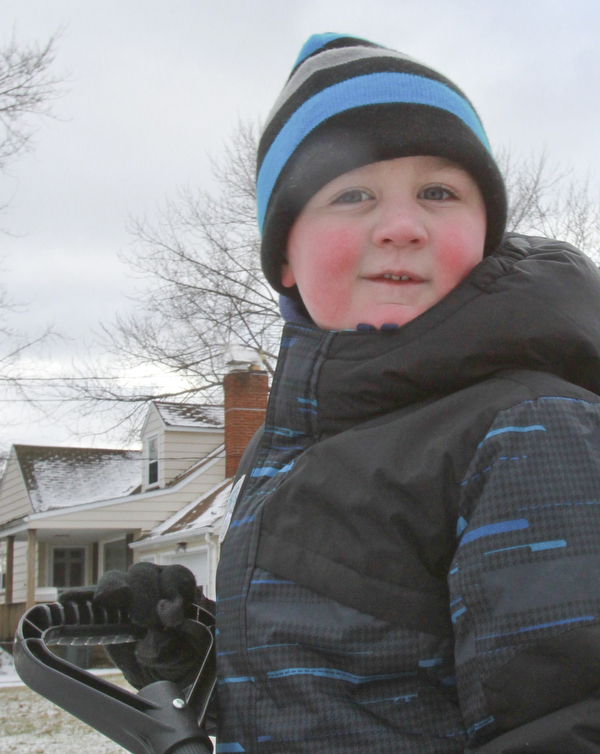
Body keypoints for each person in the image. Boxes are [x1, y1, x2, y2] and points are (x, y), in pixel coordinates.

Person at [76, 34, 600, 753]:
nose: (402, 227)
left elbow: (567, 722)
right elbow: (337, 696)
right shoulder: (288, 444)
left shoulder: (528, 430)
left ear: (486, 232)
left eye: (439, 192)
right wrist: (185, 651)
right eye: (353, 194)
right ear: (284, 254)